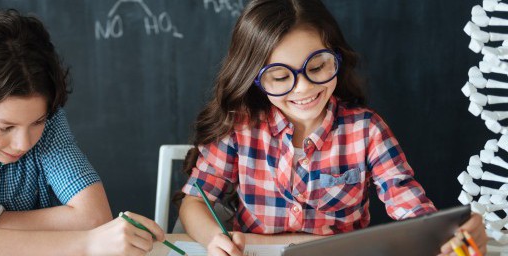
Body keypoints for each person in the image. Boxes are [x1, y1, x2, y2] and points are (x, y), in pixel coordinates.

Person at [177, 0, 488, 255]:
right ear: (255, 79)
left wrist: (450, 233)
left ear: (336, 58)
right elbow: (194, 201)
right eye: (281, 77)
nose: (303, 88)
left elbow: (410, 207)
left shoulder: (366, 130)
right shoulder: (241, 126)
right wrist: (213, 238)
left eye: (317, 67)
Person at [0, 9, 163, 255]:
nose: (23, 143)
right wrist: (86, 243)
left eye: (37, 122)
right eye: (4, 127)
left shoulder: (51, 126)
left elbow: (95, 218)